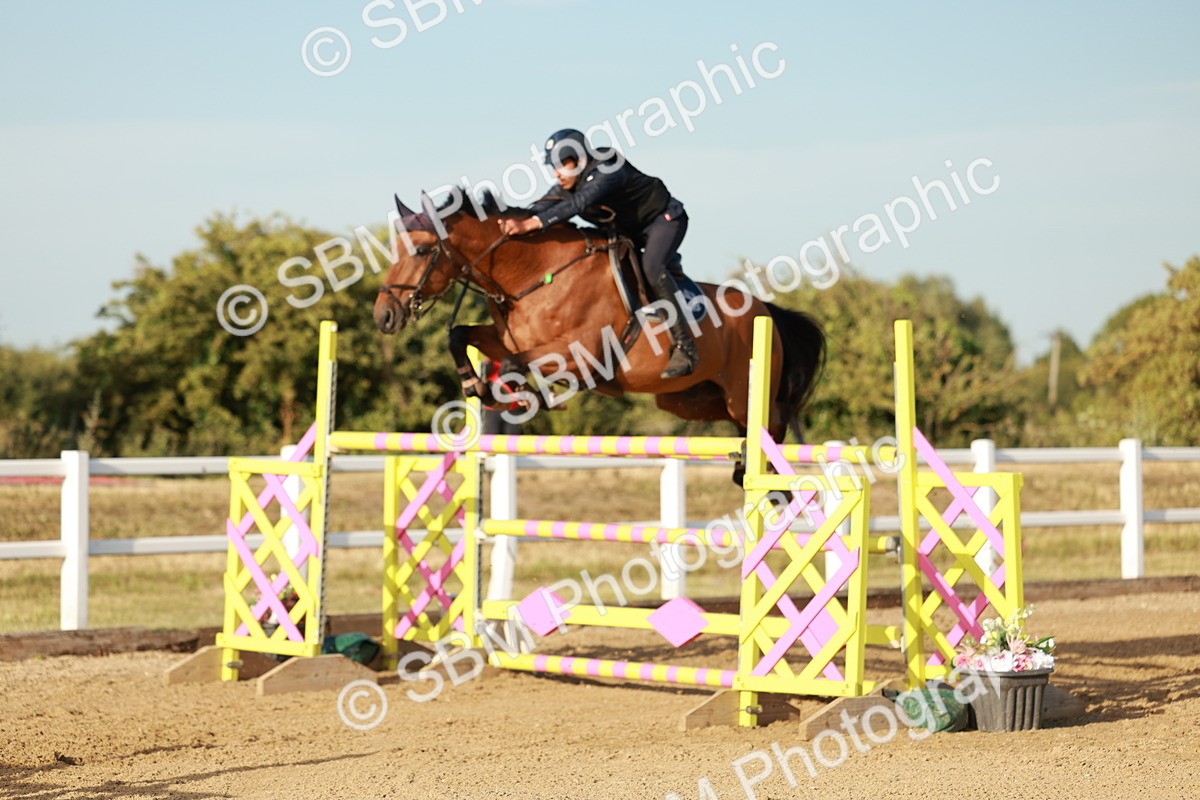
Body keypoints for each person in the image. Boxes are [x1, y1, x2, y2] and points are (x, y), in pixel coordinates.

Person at [498, 128, 698, 379]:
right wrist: (505, 223)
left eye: (562, 164)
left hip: (663, 220)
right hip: (628, 233)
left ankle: (685, 347)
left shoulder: (608, 165)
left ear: (580, 159)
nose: (556, 173)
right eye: (554, 167)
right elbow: (538, 208)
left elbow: (578, 204)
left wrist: (532, 224)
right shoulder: (567, 186)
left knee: (651, 268)